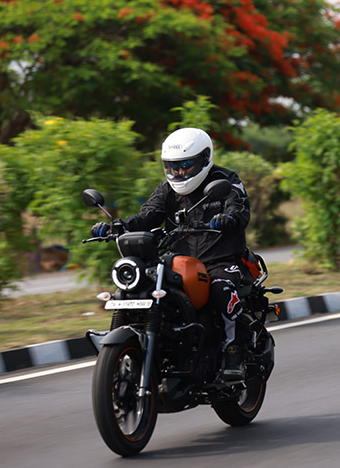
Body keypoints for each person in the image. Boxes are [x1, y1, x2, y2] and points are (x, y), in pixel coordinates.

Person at [91, 127, 251, 380]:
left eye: (186, 165)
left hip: (221, 260)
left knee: (221, 290)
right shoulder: (167, 189)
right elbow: (148, 215)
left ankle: (234, 349)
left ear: (205, 158)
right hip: (179, 263)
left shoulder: (226, 180)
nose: (179, 172)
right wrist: (117, 227)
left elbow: (239, 208)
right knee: (142, 286)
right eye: (172, 167)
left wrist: (228, 217)